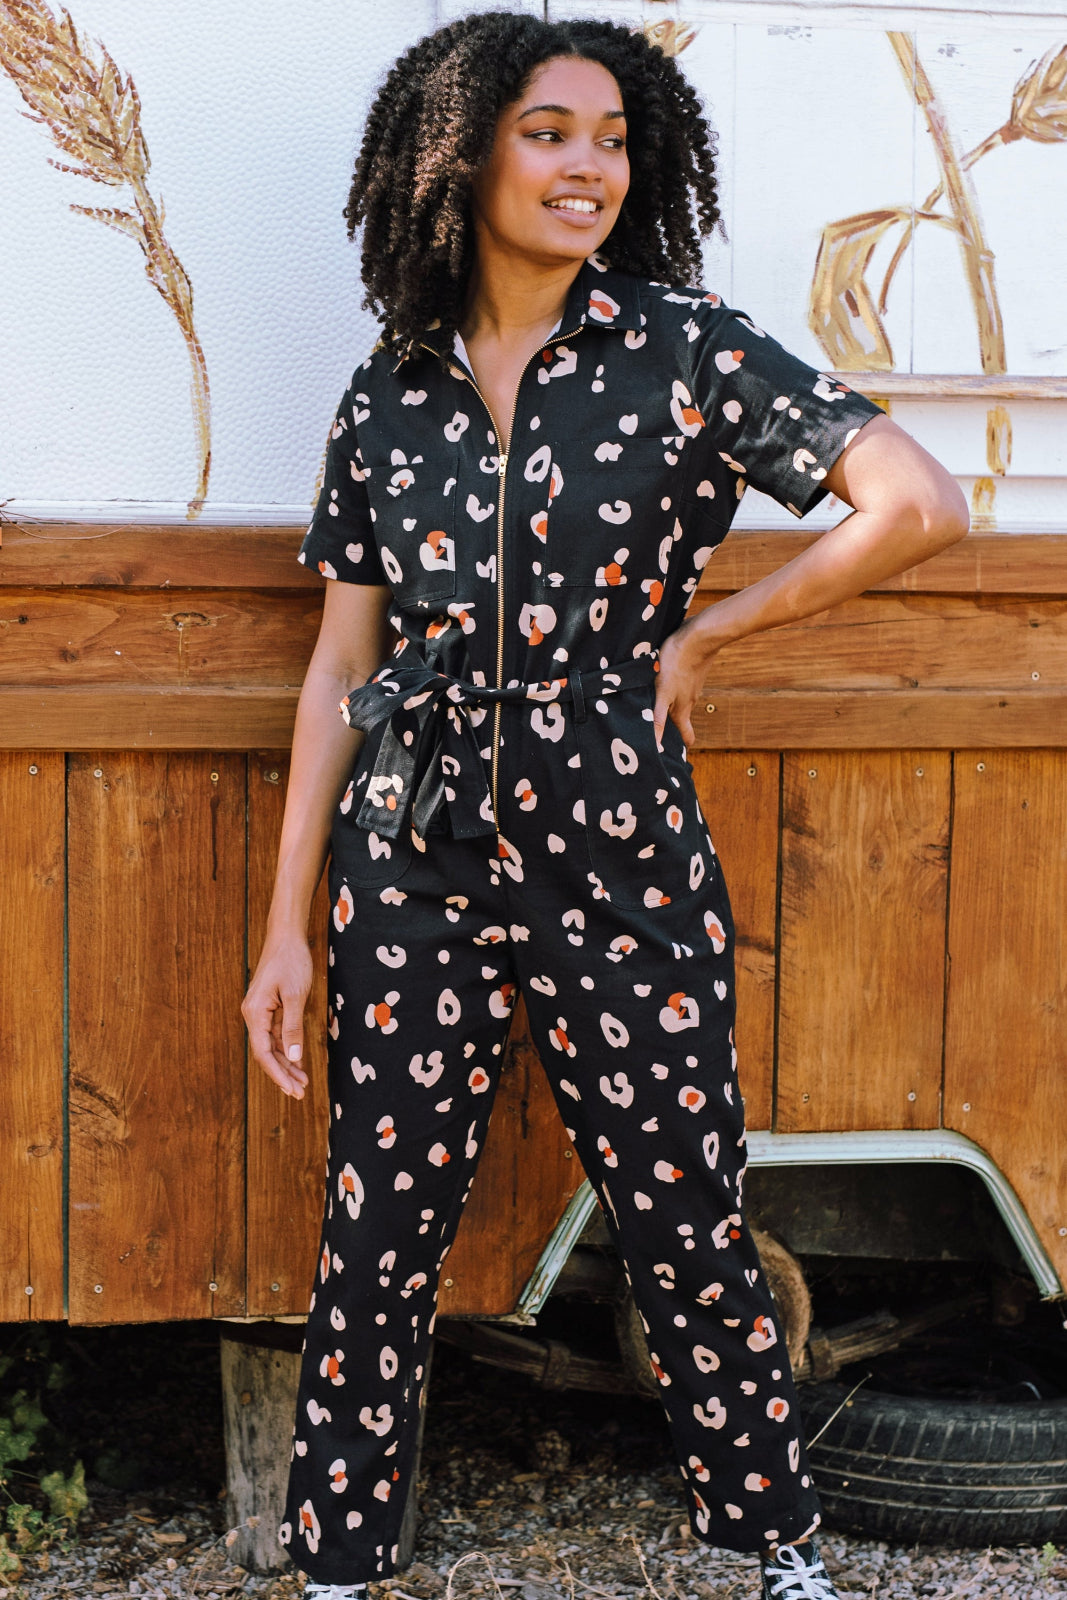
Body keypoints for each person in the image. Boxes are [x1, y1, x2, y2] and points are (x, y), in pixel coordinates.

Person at [241, 13, 968, 1600]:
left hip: (616, 837)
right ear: (460, 155)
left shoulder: (686, 348)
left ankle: (775, 1547)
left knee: (681, 1206)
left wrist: (711, 633)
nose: (589, 167)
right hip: (412, 845)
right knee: (380, 1228)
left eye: (614, 139)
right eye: (551, 133)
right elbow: (334, 672)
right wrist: (283, 929)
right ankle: (341, 1565)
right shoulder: (389, 390)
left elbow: (917, 502)